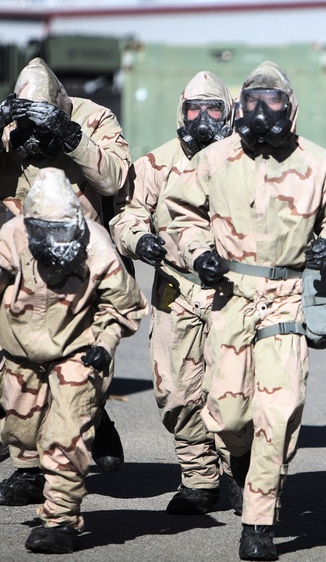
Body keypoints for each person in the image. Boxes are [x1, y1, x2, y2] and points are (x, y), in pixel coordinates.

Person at [163, 61, 326, 561]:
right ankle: (242, 458)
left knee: (280, 407)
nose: (258, 110)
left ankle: (259, 521)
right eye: (249, 100)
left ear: (289, 107)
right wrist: (199, 250)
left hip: (289, 295)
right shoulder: (215, 159)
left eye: (270, 100)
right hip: (229, 296)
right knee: (229, 417)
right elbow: (183, 211)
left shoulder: (317, 163)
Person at [0, 57, 133, 504]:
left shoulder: (92, 118)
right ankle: (28, 470)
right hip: (22, 260)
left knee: (78, 364)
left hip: (80, 260)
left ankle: (92, 422)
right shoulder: (1, 119)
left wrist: (70, 137)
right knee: (10, 366)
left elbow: (115, 178)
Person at [0, 168, 148, 554]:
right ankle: (43, 468)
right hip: (20, 352)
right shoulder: (11, 238)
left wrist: (105, 342)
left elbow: (125, 305)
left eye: (63, 233)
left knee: (65, 437)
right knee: (22, 434)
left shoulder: (97, 245)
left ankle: (60, 521)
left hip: (78, 352)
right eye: (46, 233)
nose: (56, 243)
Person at [110, 70, 235, 515]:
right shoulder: (155, 165)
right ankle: (199, 480)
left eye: (213, 109)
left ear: (230, 112)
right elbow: (125, 217)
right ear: (180, 113)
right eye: (194, 109)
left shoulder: (247, 161)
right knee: (177, 394)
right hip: (175, 294)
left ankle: (236, 470)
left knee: (235, 393)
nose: (203, 119)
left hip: (233, 294)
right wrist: (138, 240)